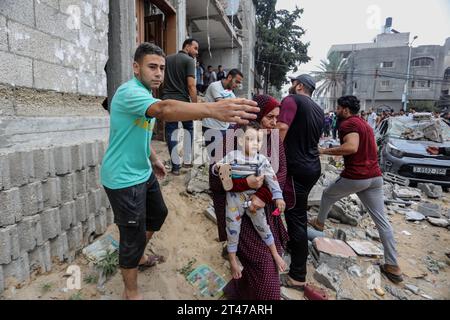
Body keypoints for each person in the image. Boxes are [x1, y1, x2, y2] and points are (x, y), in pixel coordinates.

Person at [100, 42, 259, 300]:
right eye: (152, 67)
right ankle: (131, 292)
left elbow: (133, 131)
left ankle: (138, 253)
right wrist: (210, 109)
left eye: (161, 68)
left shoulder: (146, 95)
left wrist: (153, 158)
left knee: (158, 214)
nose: (159, 73)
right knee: (130, 236)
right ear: (135, 67)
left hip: (142, 171)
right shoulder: (130, 92)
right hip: (122, 179)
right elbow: (165, 110)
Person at [309, 95, 403, 284]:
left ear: (345, 109)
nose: (336, 111)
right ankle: (393, 266)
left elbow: (351, 147)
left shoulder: (348, 124)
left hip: (357, 176)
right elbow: (369, 147)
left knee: (327, 194)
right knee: (382, 221)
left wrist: (324, 151)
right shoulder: (365, 125)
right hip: (375, 177)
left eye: (338, 108)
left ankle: (319, 224)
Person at [211, 95, 289, 300]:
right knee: (263, 266)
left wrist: (263, 195)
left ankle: (237, 293)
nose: (275, 123)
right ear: (255, 115)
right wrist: (246, 184)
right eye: (270, 117)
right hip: (239, 214)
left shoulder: (273, 138)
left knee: (267, 261)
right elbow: (218, 179)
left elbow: (279, 175)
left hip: (261, 212)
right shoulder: (232, 137)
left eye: (276, 117)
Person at [276, 74, 324, 291]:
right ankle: (284, 243)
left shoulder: (291, 100)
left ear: (299, 86)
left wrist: (270, 157)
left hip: (296, 170)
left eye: (294, 83)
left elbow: (282, 129)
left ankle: (297, 276)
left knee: (296, 218)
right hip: (312, 167)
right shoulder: (318, 109)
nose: (291, 85)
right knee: (295, 212)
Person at [162, 38, 199, 175]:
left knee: (171, 132)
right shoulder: (189, 61)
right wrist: (195, 106)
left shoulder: (167, 59)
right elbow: (191, 85)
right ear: (187, 46)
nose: (196, 52)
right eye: (195, 48)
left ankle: (175, 167)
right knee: (188, 128)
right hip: (182, 102)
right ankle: (187, 161)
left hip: (167, 102)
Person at [202, 69, 244, 154]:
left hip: (225, 127)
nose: (237, 85)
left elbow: (235, 109)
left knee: (227, 156)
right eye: (236, 82)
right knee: (216, 158)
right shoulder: (215, 86)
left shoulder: (230, 93)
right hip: (212, 127)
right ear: (229, 77)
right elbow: (222, 105)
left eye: (239, 83)